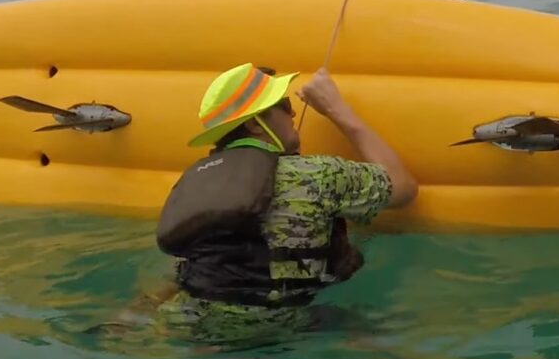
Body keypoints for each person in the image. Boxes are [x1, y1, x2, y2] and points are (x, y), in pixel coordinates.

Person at [147, 61, 419, 340]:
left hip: (190, 325)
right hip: (287, 326)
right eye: (284, 105)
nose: (292, 114)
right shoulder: (318, 175)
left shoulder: (197, 181)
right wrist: (337, 110)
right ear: (255, 123)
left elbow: (187, 267)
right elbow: (403, 187)